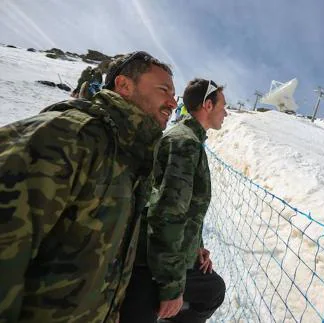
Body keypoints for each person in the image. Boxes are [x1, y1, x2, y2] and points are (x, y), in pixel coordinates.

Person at [0, 51, 177, 323]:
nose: (172, 102)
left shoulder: (130, 157)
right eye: (164, 89)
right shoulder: (68, 136)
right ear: (124, 86)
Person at [120, 78, 228, 323]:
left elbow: (187, 210)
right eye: (223, 105)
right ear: (207, 106)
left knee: (212, 289)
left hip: (165, 255)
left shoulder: (191, 140)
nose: (226, 112)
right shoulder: (184, 143)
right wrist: (171, 288)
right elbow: (167, 213)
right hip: (150, 265)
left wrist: (196, 247)